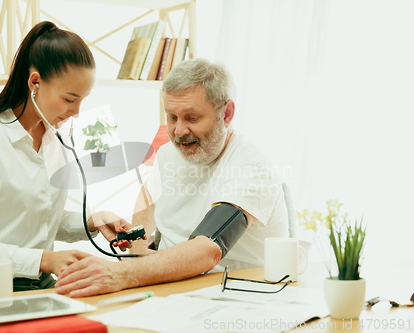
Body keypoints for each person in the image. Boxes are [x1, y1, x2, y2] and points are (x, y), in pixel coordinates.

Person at [55, 58, 289, 297]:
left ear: (226, 114)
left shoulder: (251, 168)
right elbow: (149, 194)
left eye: (192, 118)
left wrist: (123, 273)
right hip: (169, 289)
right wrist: (138, 245)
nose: (179, 131)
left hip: (232, 297)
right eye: (172, 117)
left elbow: (209, 248)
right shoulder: (170, 153)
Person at [0, 21, 132, 298]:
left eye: (83, 100)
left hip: (42, 288)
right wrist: (45, 260)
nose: (77, 112)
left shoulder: (55, 141)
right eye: (70, 99)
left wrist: (93, 220)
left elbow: (41, 220)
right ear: (35, 82)